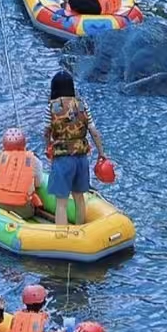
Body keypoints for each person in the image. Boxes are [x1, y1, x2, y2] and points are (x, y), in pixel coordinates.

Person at [43, 69, 107, 228]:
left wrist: (47, 147)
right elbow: (94, 132)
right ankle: (81, 230)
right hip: (81, 158)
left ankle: (62, 236)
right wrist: (101, 154)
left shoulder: (52, 107)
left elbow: (46, 131)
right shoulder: (82, 105)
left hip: (62, 158)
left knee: (61, 202)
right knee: (79, 198)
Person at [0, 127, 46, 218]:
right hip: (23, 211)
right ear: (24, 144)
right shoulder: (33, 160)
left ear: (4, 145)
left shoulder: (1, 159)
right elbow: (38, 183)